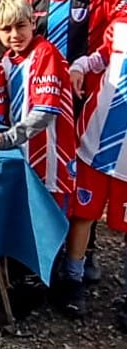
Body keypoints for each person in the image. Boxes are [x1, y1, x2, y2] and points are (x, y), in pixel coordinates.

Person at [23, 0, 127, 283]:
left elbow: (122, 30)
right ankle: (43, 256)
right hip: (45, 104)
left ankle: (85, 254)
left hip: (86, 106)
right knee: (46, 176)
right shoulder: (31, 1)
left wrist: (86, 64)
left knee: (82, 180)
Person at [0, 0, 83, 316]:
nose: (14, 35)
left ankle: (54, 286)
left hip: (51, 154)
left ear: (33, 22)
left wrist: (7, 139)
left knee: (49, 219)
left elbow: (45, 112)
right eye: (6, 30)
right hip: (24, 154)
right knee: (28, 216)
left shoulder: (46, 54)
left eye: (20, 26)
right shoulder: (9, 60)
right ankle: (28, 281)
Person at [69, 16, 127, 329]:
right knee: (84, 214)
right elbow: (96, 58)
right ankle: (73, 281)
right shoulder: (120, 24)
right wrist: (78, 68)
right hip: (96, 140)